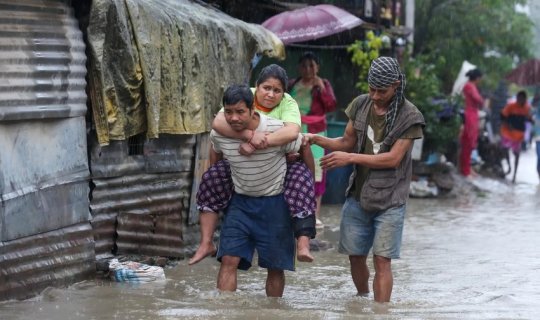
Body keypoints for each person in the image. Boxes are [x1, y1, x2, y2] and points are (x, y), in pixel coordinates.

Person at [304, 57, 425, 302]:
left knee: (382, 259)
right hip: (357, 195)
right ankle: (361, 301)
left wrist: (350, 158)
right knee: (355, 255)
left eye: (382, 91)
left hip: (391, 199)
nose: (376, 95)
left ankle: (381, 313)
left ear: (396, 85)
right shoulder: (361, 104)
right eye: (372, 89)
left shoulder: (410, 116)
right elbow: (346, 141)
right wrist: (316, 139)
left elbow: (392, 159)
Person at [190, 64, 316, 265]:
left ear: (283, 94)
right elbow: (218, 124)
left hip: (282, 156)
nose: (271, 94)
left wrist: (260, 143)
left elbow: (293, 134)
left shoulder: (288, 104)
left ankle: (303, 243)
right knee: (212, 177)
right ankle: (206, 242)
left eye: (277, 90)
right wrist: (249, 136)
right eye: (266, 88)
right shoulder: (242, 97)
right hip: (242, 163)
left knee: (302, 180)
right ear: (256, 88)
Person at [212, 84, 305, 297]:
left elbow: (300, 146)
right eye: (228, 112)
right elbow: (215, 156)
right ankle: (223, 310)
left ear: (253, 110)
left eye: (240, 112)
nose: (233, 118)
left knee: (275, 266)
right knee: (228, 259)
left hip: (275, 203)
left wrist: (305, 197)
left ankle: (272, 311)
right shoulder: (219, 133)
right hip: (240, 202)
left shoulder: (276, 129)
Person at [288, 51, 337, 228]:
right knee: (293, 165)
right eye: (304, 65)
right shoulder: (293, 83)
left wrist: (322, 89)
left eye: (312, 65)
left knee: (316, 169)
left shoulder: (323, 84)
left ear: (317, 67)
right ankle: (294, 210)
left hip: (316, 133)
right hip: (294, 129)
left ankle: (315, 214)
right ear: (299, 68)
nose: (308, 69)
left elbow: (331, 106)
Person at [500, 90, 533, 183]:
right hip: (507, 132)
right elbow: (503, 116)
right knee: (505, 150)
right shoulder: (510, 106)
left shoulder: (527, 108)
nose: (521, 100)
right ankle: (509, 168)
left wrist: (531, 120)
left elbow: (528, 118)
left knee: (517, 154)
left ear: (525, 99)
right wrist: (508, 125)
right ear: (517, 98)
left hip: (518, 135)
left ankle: (514, 174)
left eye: (523, 99)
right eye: (519, 98)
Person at [460, 68, 484, 177]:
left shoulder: (471, 86)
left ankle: (468, 168)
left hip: (473, 114)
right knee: (468, 142)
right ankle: (465, 170)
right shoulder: (469, 86)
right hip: (470, 115)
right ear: (478, 78)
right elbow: (478, 99)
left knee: (471, 143)